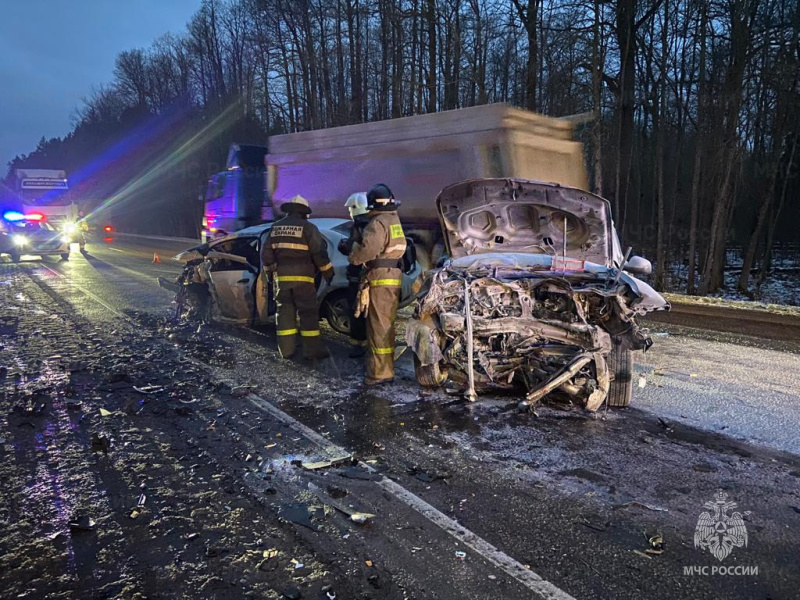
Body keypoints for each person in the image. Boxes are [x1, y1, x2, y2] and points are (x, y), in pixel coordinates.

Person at [261, 195, 334, 360]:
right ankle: (312, 351)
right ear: (303, 212)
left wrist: (270, 274)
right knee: (308, 314)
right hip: (304, 281)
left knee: (284, 313)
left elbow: (266, 255)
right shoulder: (308, 228)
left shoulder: (275, 228)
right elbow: (319, 253)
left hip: (283, 281)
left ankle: (286, 351)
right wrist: (328, 273)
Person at [348, 184, 406, 386]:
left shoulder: (377, 223)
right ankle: (386, 368)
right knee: (386, 326)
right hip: (393, 278)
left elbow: (366, 252)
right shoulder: (394, 220)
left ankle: (380, 373)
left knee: (377, 328)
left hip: (380, 279)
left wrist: (353, 251)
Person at [337, 192, 370, 358]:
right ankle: (370, 345)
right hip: (372, 278)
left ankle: (358, 346)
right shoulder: (375, 223)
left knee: (356, 312)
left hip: (358, 278)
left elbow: (352, 249)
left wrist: (343, 246)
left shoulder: (358, 225)